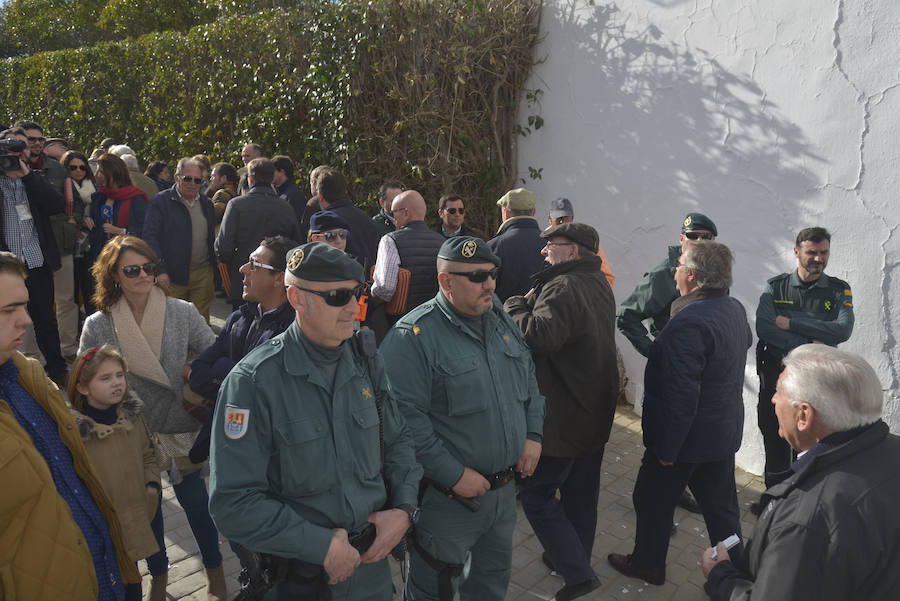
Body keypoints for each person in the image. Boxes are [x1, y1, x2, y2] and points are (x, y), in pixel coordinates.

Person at [208, 242, 423, 600]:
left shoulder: (367, 361)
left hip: (370, 570)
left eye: (357, 293)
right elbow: (233, 504)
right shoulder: (253, 382)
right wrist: (321, 546)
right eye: (338, 296)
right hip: (301, 577)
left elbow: (399, 442)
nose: (354, 309)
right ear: (296, 298)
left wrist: (403, 510)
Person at [380, 236, 545, 601]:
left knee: (490, 585)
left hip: (502, 496)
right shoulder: (414, 338)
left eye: (491, 274)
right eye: (476, 276)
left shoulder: (499, 318)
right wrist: (453, 474)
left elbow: (529, 377)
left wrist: (533, 433)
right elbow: (403, 423)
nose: (488, 283)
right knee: (433, 589)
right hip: (449, 501)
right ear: (445, 282)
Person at [78, 236, 224, 601]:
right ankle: (158, 576)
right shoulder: (98, 323)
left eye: (149, 267)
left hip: (179, 425)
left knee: (196, 504)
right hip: (131, 431)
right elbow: (82, 377)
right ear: (113, 274)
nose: (143, 275)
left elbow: (214, 356)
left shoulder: (182, 311)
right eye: (132, 269)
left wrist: (194, 377)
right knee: (149, 506)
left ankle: (215, 569)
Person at [702, 345, 900, 601]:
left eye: (779, 391)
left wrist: (721, 577)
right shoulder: (890, 449)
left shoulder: (805, 519)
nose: (773, 399)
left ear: (804, 415)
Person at [608, 241, 752, 586]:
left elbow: (681, 396)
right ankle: (739, 572)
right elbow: (741, 345)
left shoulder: (688, 323)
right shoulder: (732, 308)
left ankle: (647, 564)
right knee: (722, 512)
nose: (674, 270)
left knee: (650, 497)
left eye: (679, 265)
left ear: (692, 276)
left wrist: (668, 451)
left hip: (685, 441)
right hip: (719, 435)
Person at [0, 251, 141, 601]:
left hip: (107, 578)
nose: (26, 321)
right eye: (8, 310)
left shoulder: (30, 376)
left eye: (24, 306)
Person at [504, 223, 618, 601]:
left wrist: (515, 305)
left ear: (573, 251)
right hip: (592, 411)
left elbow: (538, 336)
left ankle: (576, 572)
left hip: (564, 413)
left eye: (551, 245)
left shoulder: (563, 286)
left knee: (536, 494)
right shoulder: (597, 281)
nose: (544, 251)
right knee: (580, 493)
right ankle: (571, 557)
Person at [614, 212, 718, 516]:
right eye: (693, 236)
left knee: (682, 440)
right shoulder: (665, 274)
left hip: (695, 372)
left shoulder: (711, 272)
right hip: (670, 373)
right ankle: (648, 506)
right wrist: (656, 353)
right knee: (660, 444)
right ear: (681, 239)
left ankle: (674, 493)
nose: (699, 241)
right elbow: (626, 316)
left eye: (706, 236)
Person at [754, 227, 853, 493]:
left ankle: (804, 507)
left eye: (824, 253)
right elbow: (765, 329)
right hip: (777, 380)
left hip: (817, 383)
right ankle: (772, 506)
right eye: (812, 252)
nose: (819, 259)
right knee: (776, 444)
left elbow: (842, 330)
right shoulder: (776, 287)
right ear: (797, 252)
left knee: (816, 446)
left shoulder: (838, 290)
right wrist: (811, 342)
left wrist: (793, 323)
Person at [187, 235, 297, 463]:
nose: (243, 269)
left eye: (255, 264)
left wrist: (223, 368)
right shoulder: (240, 317)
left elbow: (263, 394)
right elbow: (198, 372)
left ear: (279, 278)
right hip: (224, 443)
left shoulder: (293, 330)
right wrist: (236, 375)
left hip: (265, 453)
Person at [67, 345, 161, 601]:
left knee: (133, 587)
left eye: (120, 375)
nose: (117, 383)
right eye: (105, 378)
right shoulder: (74, 435)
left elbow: (149, 454)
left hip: (134, 521)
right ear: (83, 388)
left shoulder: (132, 417)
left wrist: (151, 485)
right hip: (101, 533)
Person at [0, 127, 68, 385]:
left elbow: (56, 205)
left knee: (45, 320)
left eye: (21, 148)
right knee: (5, 320)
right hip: (5, 267)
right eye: (9, 147)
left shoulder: (35, 178)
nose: (14, 154)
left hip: (35, 261)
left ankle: (58, 371)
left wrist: (26, 175)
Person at [215, 157, 301, 310]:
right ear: (272, 178)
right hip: (275, 283)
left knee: (243, 327)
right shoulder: (286, 207)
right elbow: (296, 247)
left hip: (244, 280)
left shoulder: (236, 205)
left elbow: (223, 247)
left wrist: (233, 266)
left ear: (251, 178)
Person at [143, 157, 217, 322]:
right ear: (176, 177)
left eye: (197, 180)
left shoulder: (207, 204)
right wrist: (160, 270)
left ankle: (197, 350)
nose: (193, 183)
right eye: (187, 178)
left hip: (203, 273)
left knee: (200, 324)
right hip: (171, 276)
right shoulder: (160, 202)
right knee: (172, 323)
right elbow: (150, 238)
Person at [371, 190, 445, 314]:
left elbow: (385, 288)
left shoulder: (390, 240)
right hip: (436, 317)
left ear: (405, 213)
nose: (393, 218)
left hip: (402, 322)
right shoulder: (442, 241)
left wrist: (370, 302)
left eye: (394, 212)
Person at [315, 168, 382, 270]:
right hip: (371, 282)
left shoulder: (322, 224)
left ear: (320, 196)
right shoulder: (368, 220)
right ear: (345, 191)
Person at [487, 187, 546, 302]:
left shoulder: (494, 245)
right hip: (545, 317)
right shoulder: (551, 244)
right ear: (533, 212)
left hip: (505, 317)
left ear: (506, 213)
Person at [88, 153, 148, 262]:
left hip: (127, 256)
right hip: (101, 257)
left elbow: (146, 230)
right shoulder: (98, 197)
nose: (96, 175)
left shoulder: (135, 197)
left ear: (113, 173)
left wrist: (122, 231)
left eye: (101, 171)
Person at [545, 197, 615, 288]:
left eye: (566, 218)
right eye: (558, 219)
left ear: (572, 218)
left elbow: (607, 279)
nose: (562, 222)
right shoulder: (541, 242)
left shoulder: (587, 243)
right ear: (549, 219)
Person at [63, 150, 98, 315]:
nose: (78, 170)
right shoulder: (62, 188)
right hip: (67, 248)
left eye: (82, 167)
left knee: (91, 291)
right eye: (73, 167)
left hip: (89, 249)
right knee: (71, 295)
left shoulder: (94, 189)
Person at [272, 154, 305, 223]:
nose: (270, 174)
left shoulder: (293, 195)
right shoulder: (277, 193)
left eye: (273, 171)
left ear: (282, 172)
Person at [207, 162, 238, 230]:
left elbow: (212, 217)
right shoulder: (236, 192)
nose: (211, 179)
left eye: (213, 176)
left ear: (223, 178)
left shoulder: (222, 194)